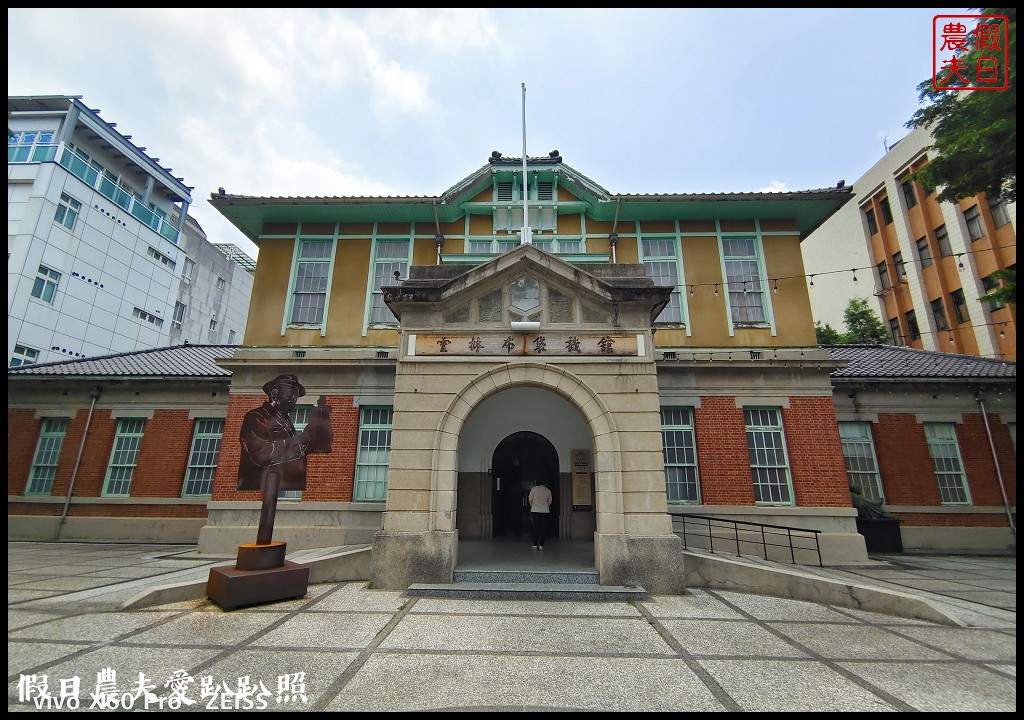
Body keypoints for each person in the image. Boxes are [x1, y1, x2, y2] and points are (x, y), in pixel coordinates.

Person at [238, 374, 333, 544]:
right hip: (264, 478)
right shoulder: (256, 417)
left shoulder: (286, 422)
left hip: (278, 478)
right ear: (274, 394)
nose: (293, 400)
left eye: (295, 397)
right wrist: (302, 439)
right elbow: (262, 453)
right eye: (290, 394)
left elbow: (294, 448)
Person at [527, 479, 553, 550]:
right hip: (545, 511)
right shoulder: (548, 491)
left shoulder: (534, 489)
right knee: (543, 528)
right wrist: (545, 506)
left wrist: (532, 506)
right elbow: (550, 501)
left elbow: (530, 499)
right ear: (546, 484)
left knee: (535, 527)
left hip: (535, 510)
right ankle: (541, 545)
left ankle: (535, 544)